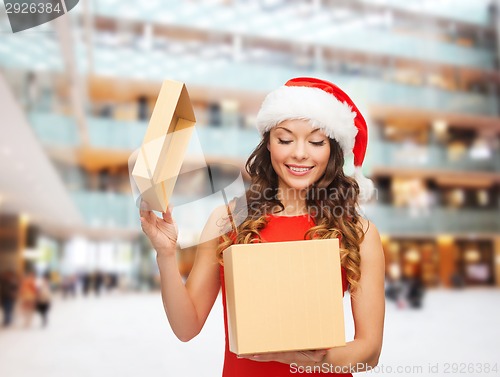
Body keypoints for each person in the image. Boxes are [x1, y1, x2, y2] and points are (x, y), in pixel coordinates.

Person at [140, 77, 385, 376]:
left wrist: (289, 357)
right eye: (285, 139)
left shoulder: (358, 232)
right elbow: (186, 327)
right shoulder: (228, 220)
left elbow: (369, 353)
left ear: (333, 150)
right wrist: (166, 255)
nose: (300, 153)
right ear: (268, 143)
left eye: (316, 142)